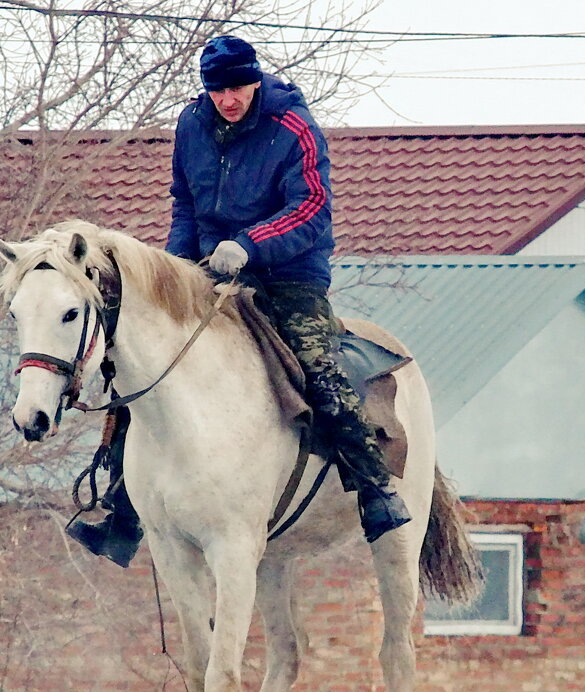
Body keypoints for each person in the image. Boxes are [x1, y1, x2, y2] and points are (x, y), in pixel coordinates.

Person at [67, 35, 410, 567]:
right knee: (143, 368)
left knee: (319, 366)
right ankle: (121, 510)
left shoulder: (292, 124)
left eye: (237, 87)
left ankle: (373, 489)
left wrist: (250, 245)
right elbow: (185, 202)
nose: (228, 99)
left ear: (255, 80)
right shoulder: (191, 125)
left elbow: (312, 206)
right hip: (209, 269)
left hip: (290, 273)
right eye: (217, 90)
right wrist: (176, 268)